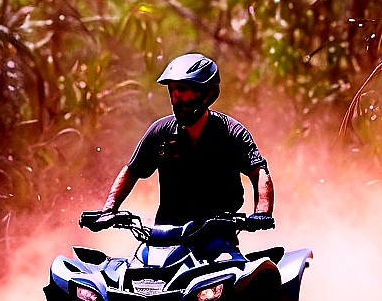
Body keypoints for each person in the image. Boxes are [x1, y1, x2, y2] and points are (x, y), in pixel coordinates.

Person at [102, 53, 274, 226]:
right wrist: (108, 210)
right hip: (166, 236)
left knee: (226, 255)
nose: (176, 97)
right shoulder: (160, 132)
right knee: (141, 255)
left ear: (204, 93)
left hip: (218, 236)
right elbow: (132, 171)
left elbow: (259, 172)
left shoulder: (232, 133)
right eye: (172, 90)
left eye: (182, 89)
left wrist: (262, 213)